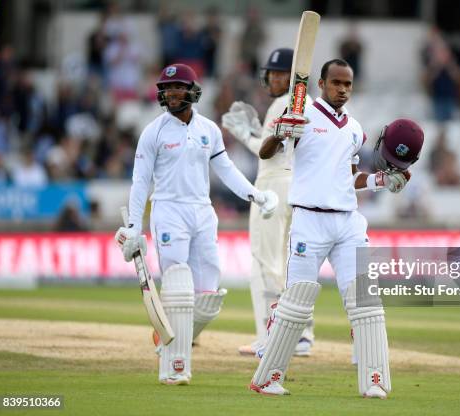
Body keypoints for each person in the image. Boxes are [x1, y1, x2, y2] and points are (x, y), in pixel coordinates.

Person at [251, 59, 423, 398]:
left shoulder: (355, 129)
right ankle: (267, 377)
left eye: (347, 84)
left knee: (365, 300)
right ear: (322, 84)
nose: (342, 89)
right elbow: (266, 151)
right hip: (309, 220)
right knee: (297, 302)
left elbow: (347, 177)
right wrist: (280, 132)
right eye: (336, 83)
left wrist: (381, 180)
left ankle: (374, 380)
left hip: (347, 222)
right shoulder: (301, 116)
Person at [114, 63, 278, 385]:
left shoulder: (209, 130)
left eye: (178, 87)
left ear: (192, 91)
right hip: (169, 212)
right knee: (178, 288)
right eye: (167, 88)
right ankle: (175, 369)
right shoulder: (153, 132)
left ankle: (167, 336)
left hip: (203, 213)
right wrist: (134, 227)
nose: (172, 93)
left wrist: (256, 196)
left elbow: (227, 170)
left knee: (209, 298)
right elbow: (140, 182)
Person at [221, 48, 314, 357]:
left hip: (272, 186)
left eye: (279, 73)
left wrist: (244, 133)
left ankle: (268, 338)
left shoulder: (279, 104)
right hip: (299, 188)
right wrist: (253, 134)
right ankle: (301, 336)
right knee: (290, 264)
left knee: (264, 264)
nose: (273, 78)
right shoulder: (311, 104)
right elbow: (279, 146)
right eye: (271, 73)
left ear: (293, 76)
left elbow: (268, 152)